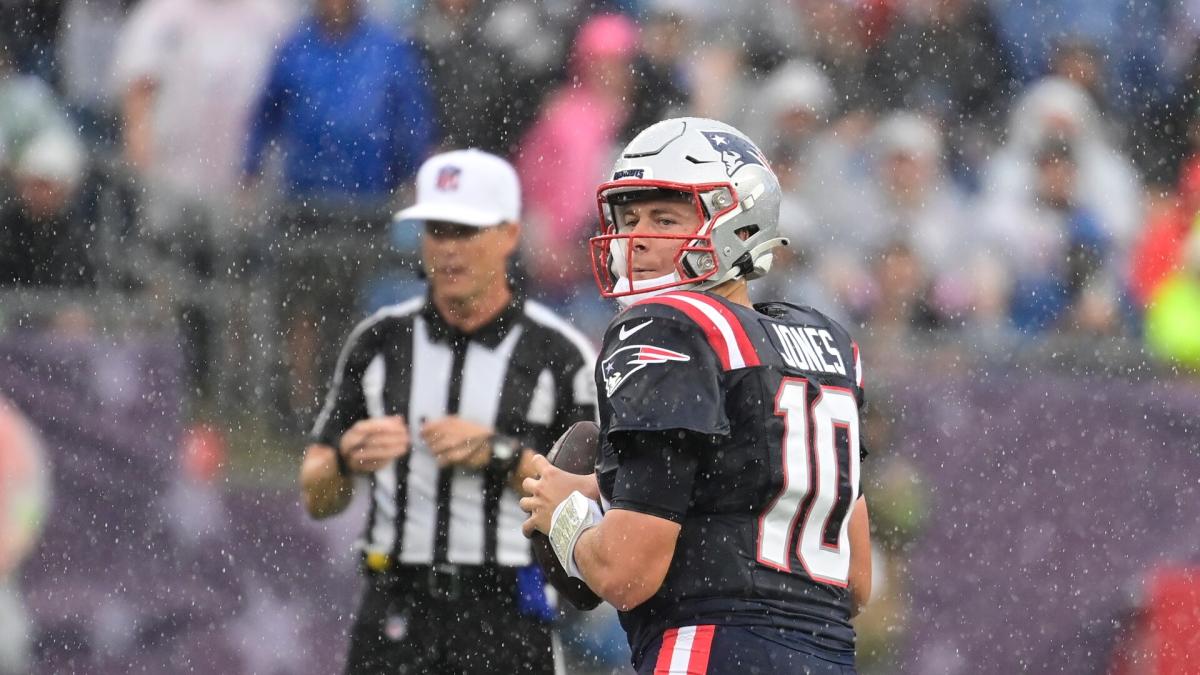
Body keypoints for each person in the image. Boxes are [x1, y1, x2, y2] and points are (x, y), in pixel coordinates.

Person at [521, 118, 873, 674]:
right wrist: (601, 487)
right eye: (629, 218)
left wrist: (563, 515)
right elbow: (855, 582)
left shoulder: (669, 325)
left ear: (739, 221)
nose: (637, 241)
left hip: (708, 651)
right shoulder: (828, 343)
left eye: (665, 219)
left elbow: (627, 573)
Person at [299, 149, 598, 674]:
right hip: (395, 602)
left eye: (466, 230)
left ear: (508, 234)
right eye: (438, 229)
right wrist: (346, 459)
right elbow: (316, 494)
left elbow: (592, 507)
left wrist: (502, 456)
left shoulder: (560, 356)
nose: (449, 249)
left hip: (505, 607)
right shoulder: (378, 342)